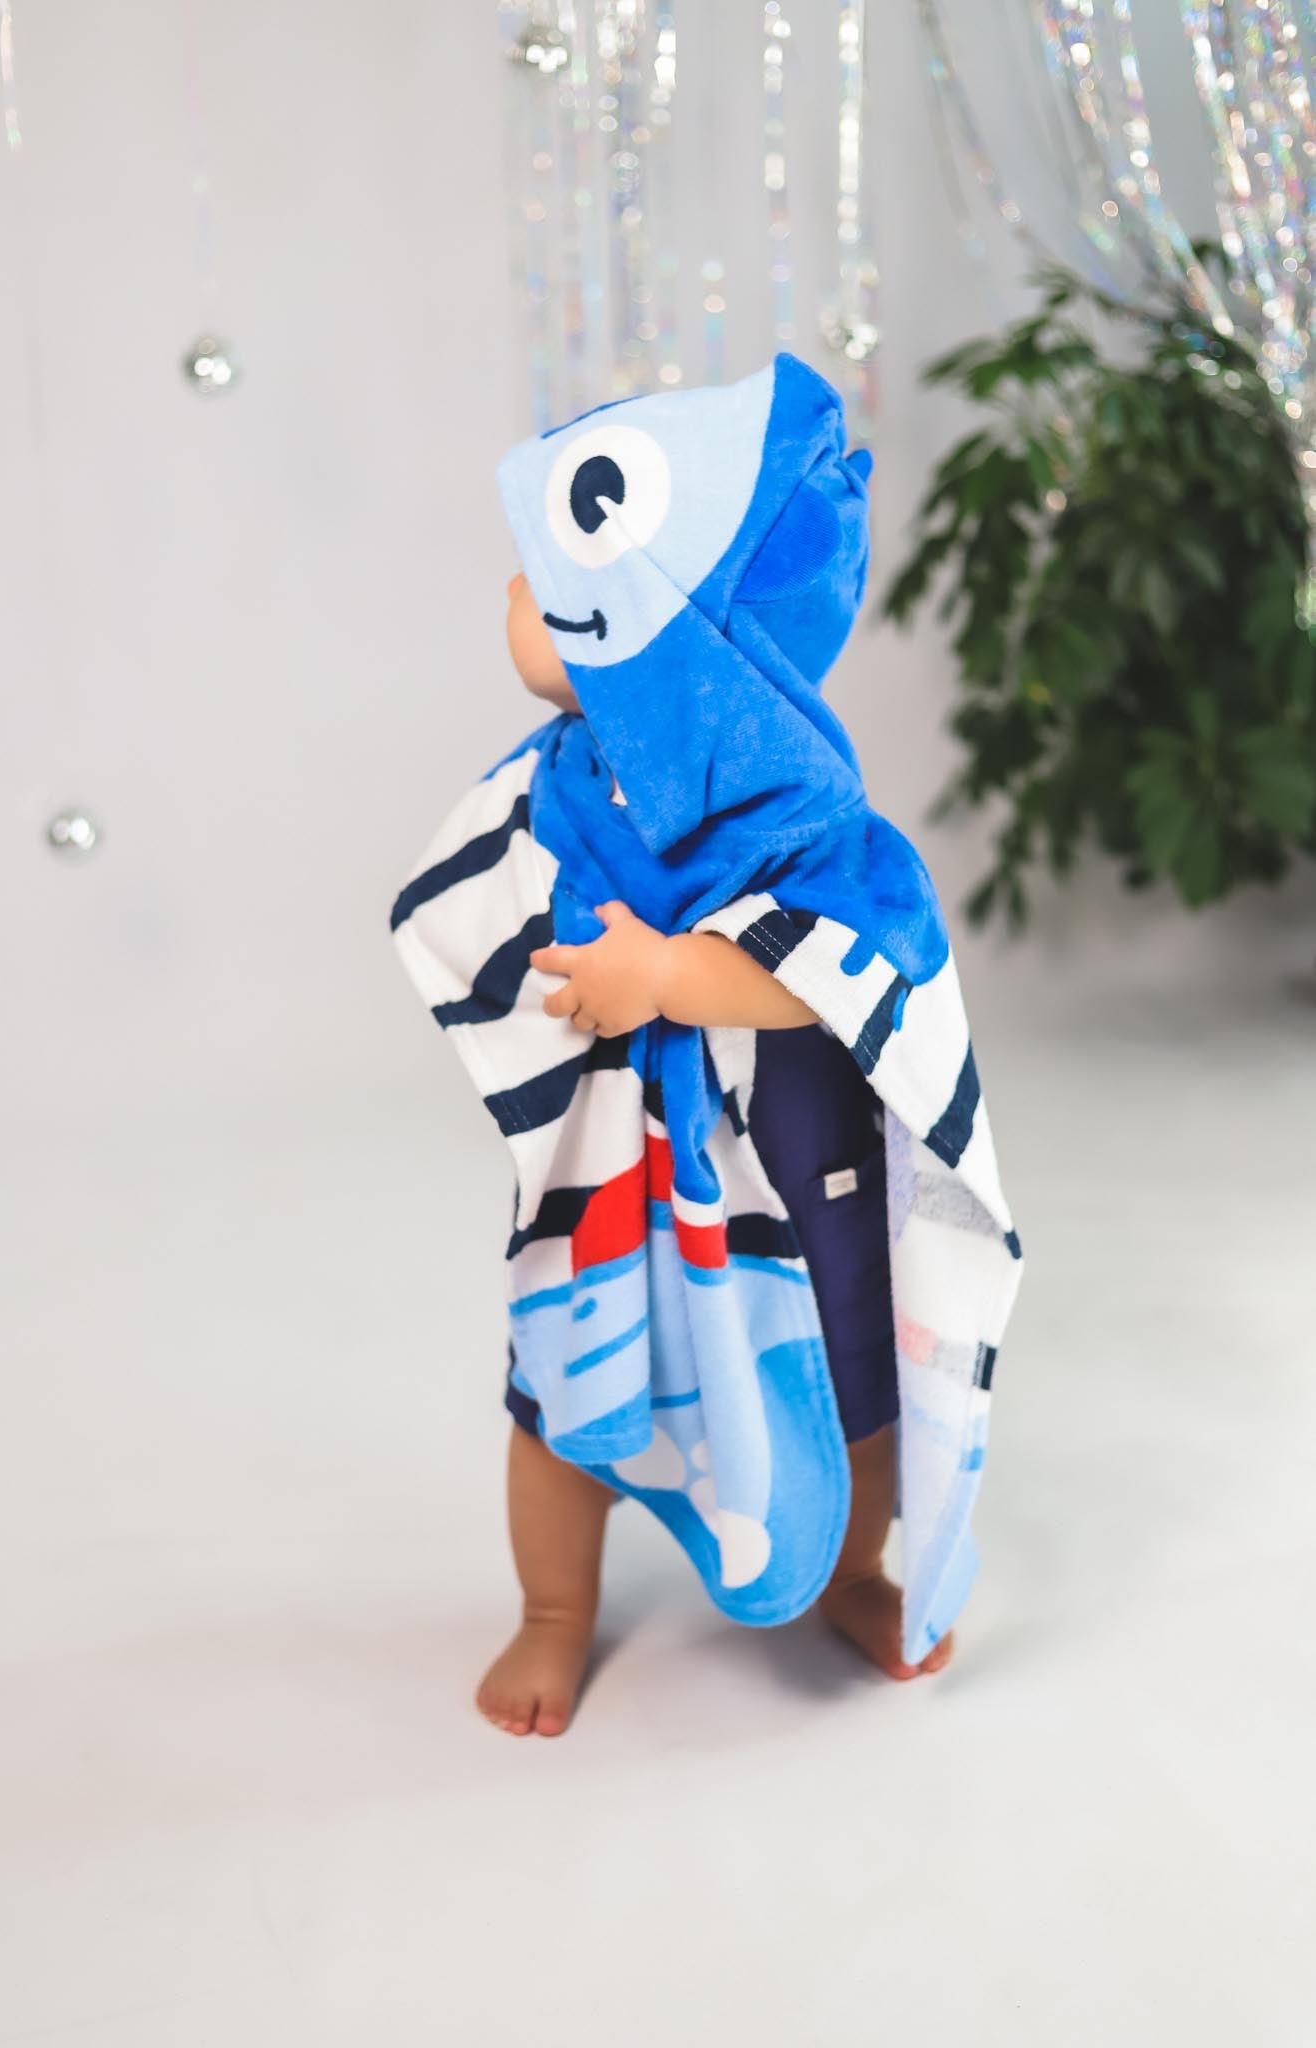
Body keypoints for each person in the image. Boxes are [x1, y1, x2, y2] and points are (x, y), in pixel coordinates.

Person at [391, 355, 1022, 1738]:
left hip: (790, 1181)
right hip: (615, 1181)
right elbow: (463, 903)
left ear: (666, 639)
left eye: (546, 584)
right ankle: (552, 1610)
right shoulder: (566, 778)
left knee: (852, 1401)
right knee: (564, 1406)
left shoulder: (795, 810)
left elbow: (861, 969)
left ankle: (849, 1572)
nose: (509, 597)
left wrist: (674, 974)